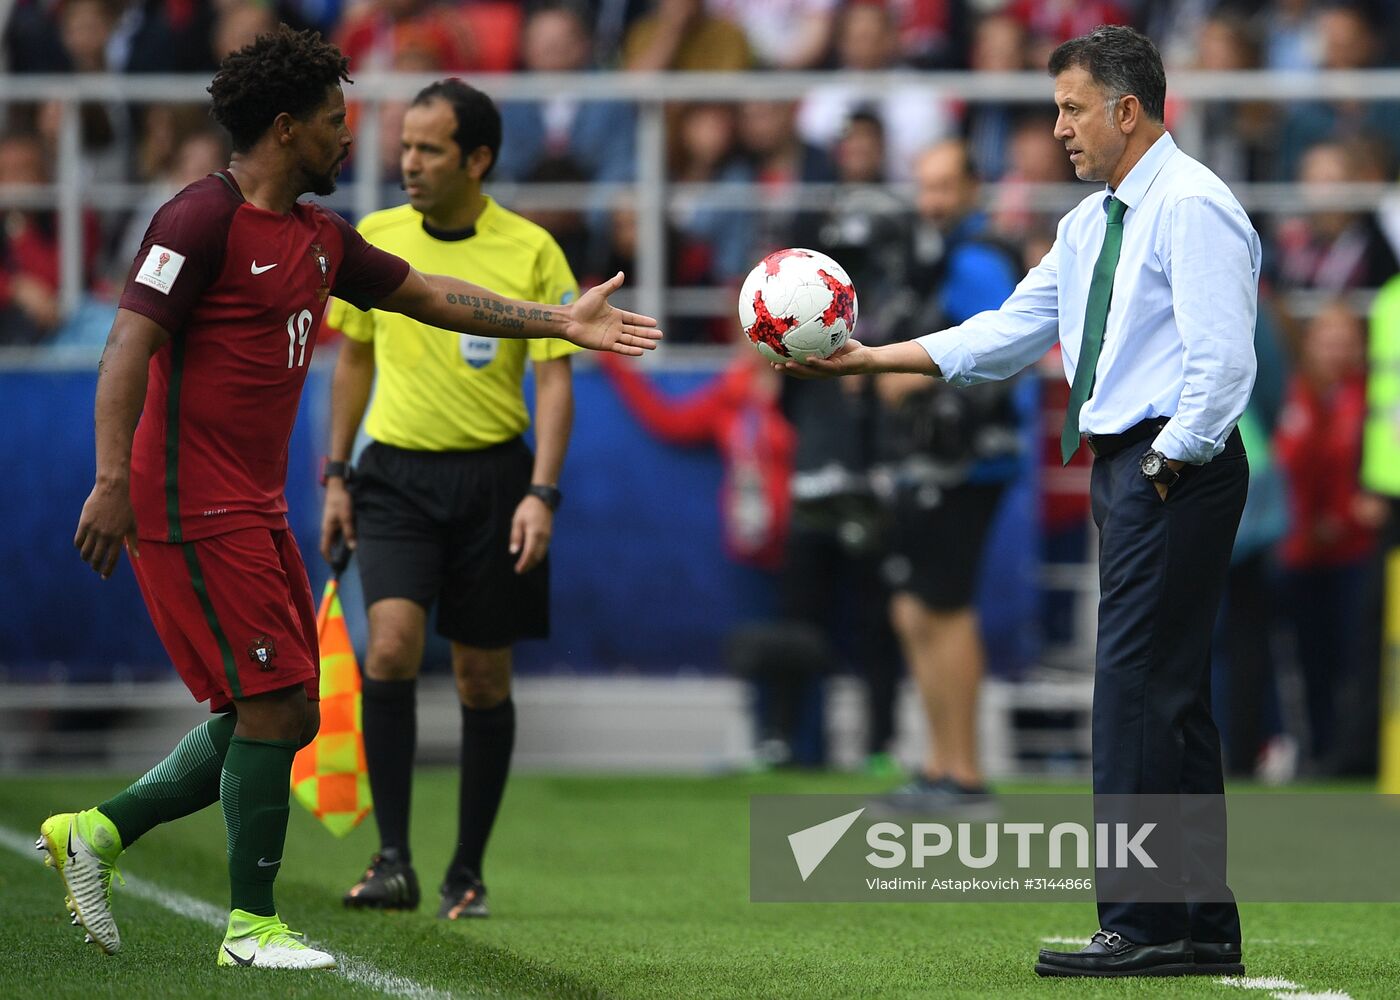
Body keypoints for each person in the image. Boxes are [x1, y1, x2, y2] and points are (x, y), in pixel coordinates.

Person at [48, 25, 659, 971]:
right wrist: (114, 480)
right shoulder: (194, 222)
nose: (354, 139)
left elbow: (436, 295)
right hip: (185, 506)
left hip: (251, 508)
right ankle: (250, 929)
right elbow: (126, 348)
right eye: (338, 122)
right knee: (272, 704)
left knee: (287, 710)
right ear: (286, 129)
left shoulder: (323, 238)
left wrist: (558, 321)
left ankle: (98, 832)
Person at [778, 25, 1258, 978]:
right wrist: (873, 357)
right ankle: (1199, 924)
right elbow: (1005, 332)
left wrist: (1164, 466)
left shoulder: (1193, 205)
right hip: (1136, 468)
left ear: (1128, 110)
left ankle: (1142, 921)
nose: (1058, 129)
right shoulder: (1091, 224)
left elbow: (1224, 363)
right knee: (1168, 700)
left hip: (1168, 467)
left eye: (1073, 108)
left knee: (1129, 695)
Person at [322, 78, 581, 921]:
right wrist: (335, 473)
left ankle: (466, 871)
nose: (408, 163)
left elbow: (554, 382)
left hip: (494, 484)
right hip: (392, 475)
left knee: (480, 677)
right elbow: (352, 358)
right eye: (404, 146)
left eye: (430, 149)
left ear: (479, 159)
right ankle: (391, 858)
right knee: (389, 648)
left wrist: (542, 491)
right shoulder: (376, 238)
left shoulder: (532, 248)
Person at [872, 139, 1025, 810]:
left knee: (945, 607)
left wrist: (910, 382)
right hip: (924, 459)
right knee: (912, 610)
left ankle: (964, 775)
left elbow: (1000, 352)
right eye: (923, 186)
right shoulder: (929, 257)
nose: (932, 200)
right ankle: (939, 766)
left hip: (970, 460)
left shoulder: (980, 258)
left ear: (972, 188)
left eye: (944, 186)